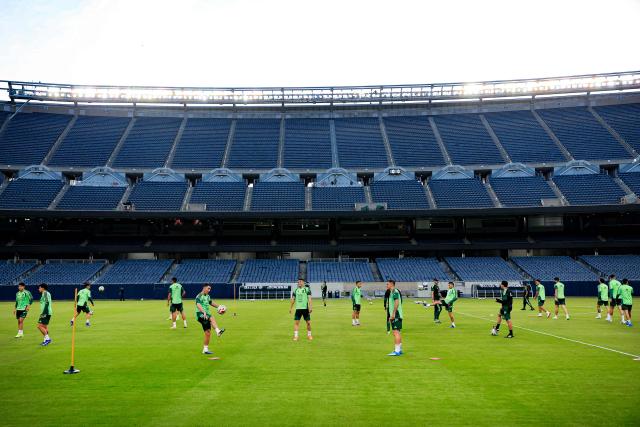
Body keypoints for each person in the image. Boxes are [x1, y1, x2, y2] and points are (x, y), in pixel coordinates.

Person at [195, 284, 225, 355]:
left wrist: (219, 307)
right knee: (211, 317)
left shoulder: (207, 296)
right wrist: (203, 311)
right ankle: (218, 331)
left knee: (208, 332)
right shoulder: (199, 296)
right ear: (204, 288)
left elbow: (211, 302)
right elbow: (198, 304)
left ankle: (205, 350)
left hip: (206, 314)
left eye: (210, 289)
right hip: (200, 314)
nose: (209, 290)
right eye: (208, 288)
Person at [386, 279, 403, 356]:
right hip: (397, 314)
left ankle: (397, 351)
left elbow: (397, 302)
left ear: (392, 284)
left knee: (395, 332)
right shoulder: (392, 292)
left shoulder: (394, 291)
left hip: (396, 315)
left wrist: (393, 314)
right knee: (398, 332)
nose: (386, 285)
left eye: (388, 284)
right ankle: (399, 349)